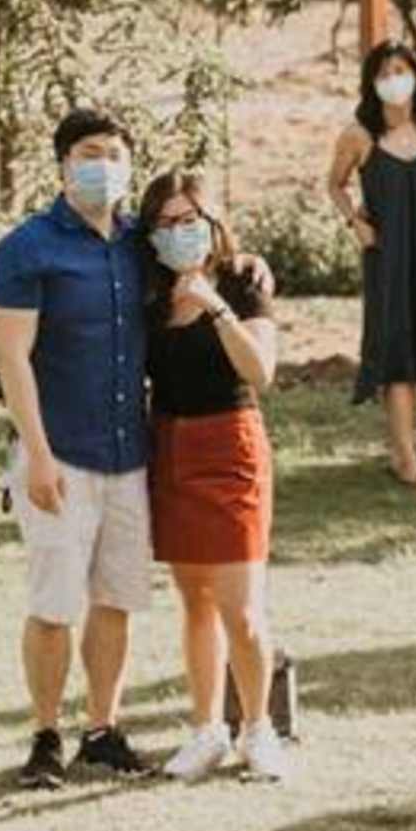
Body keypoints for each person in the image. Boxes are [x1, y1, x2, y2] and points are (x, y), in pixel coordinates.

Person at [0, 111, 158, 786]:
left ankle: (102, 727)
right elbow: (12, 356)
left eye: (116, 153)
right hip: (59, 453)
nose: (104, 165)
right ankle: (45, 733)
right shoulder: (26, 250)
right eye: (91, 153)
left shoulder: (138, 242)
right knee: (55, 602)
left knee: (115, 598)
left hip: (128, 453)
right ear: (62, 164)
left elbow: (204, 251)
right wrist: (37, 453)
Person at [140, 172, 292, 783]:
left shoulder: (242, 281)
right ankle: (206, 730)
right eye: (166, 222)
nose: (179, 232)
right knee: (194, 602)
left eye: (189, 219)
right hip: (170, 445)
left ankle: (259, 728)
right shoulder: (148, 294)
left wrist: (216, 306)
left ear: (211, 221)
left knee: (242, 608)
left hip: (229, 445)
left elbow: (260, 371)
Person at [327, 40, 416, 491]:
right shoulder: (359, 134)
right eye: (383, 73)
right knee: (396, 346)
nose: (392, 80)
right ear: (371, 83)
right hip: (388, 253)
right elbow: (335, 184)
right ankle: (406, 458)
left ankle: (402, 445)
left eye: (401, 69)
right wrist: (354, 222)